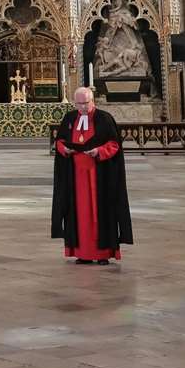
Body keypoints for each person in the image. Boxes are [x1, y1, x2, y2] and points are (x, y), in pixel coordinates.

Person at [51, 85, 133, 265]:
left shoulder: (104, 118)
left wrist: (99, 151)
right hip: (75, 178)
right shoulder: (70, 118)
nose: (82, 108)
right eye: (78, 104)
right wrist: (64, 148)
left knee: (100, 214)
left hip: (99, 177)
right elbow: (60, 141)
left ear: (92, 101)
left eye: (85, 103)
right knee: (78, 214)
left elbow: (114, 144)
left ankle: (103, 253)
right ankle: (82, 253)